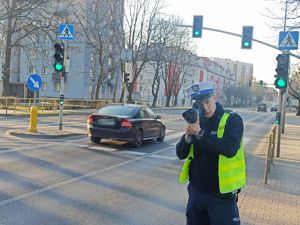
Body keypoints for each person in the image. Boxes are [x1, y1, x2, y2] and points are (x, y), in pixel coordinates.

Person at [176, 81, 246, 225]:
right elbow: (181, 154)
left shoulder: (231, 119)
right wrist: (187, 137)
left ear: (215, 97)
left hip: (222, 197)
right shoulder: (197, 120)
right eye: (201, 104)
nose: (205, 107)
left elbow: (230, 149)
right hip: (196, 194)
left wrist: (200, 133)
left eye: (207, 102)